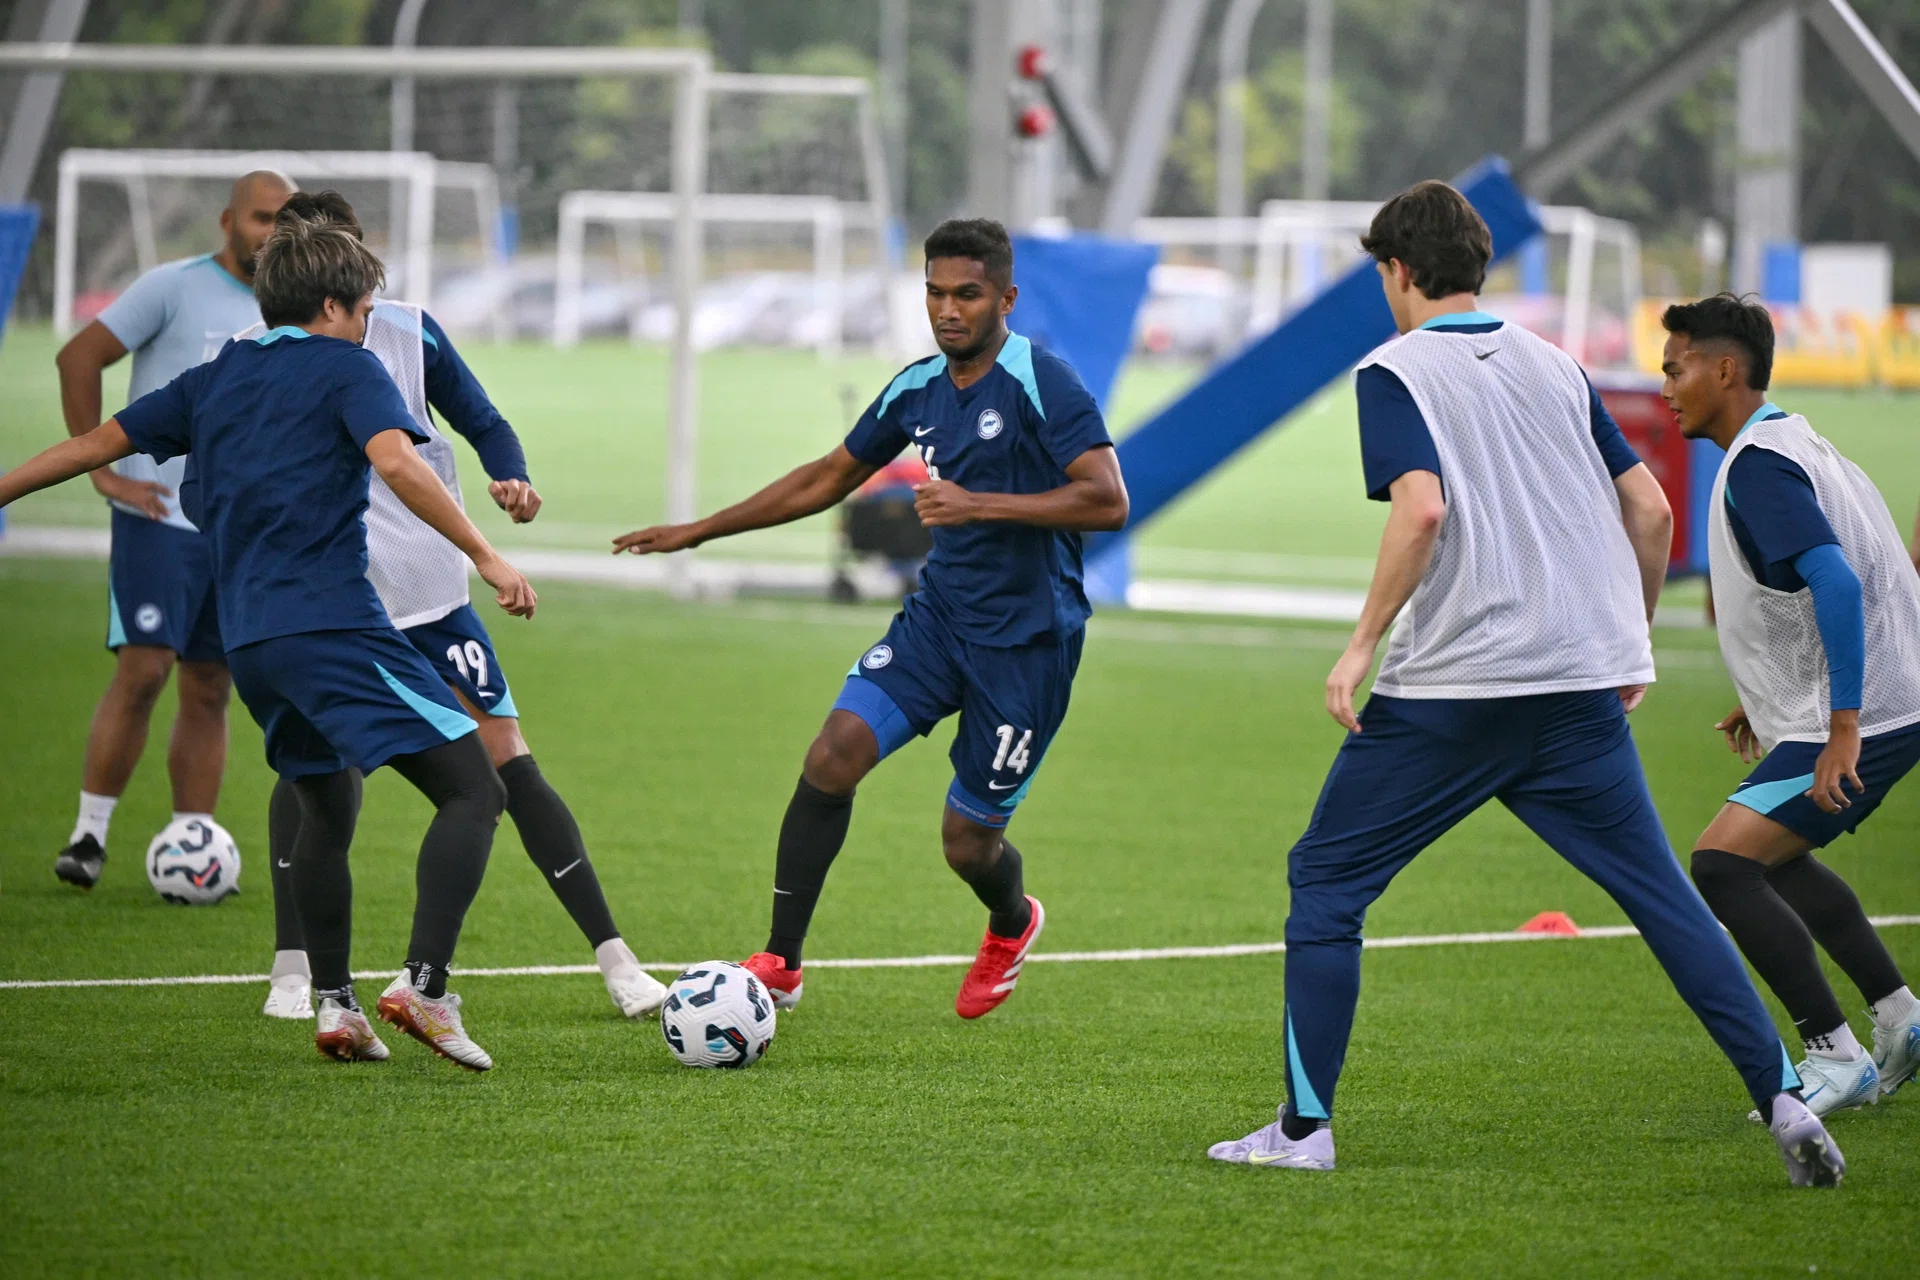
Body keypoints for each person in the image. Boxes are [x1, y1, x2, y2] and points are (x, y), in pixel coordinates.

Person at [1206, 182, 1843, 1187]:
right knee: (1665, 897)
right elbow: (1650, 511)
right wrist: (1624, 640)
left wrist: (1360, 643)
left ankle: (1302, 1129)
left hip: (1454, 691)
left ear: (1398, 272)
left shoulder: (1393, 368)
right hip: (1577, 689)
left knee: (1326, 881)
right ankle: (1785, 1096)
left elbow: (1420, 510)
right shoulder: (1557, 362)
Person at [0, 212, 538, 1071]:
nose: (371, 323)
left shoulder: (217, 376)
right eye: (365, 307)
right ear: (332, 305)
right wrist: (485, 554)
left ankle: (335, 1007)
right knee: (473, 791)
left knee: (326, 806)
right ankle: (426, 990)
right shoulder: (346, 367)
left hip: (250, 643)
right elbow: (400, 464)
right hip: (330, 623)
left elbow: (98, 444)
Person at [614, 218, 1127, 1020]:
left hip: (1027, 646)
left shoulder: (1043, 383)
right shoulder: (916, 387)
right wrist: (698, 530)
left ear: (1006, 298)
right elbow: (828, 476)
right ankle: (781, 962)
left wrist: (976, 504)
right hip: (939, 622)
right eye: (934, 292)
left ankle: (1012, 920)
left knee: (967, 844)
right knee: (832, 755)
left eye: (968, 294)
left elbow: (1108, 499)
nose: (948, 309)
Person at [250, 191, 665, 1024]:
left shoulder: (410, 331)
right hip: (341, 609)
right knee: (318, 779)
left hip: (435, 599)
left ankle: (617, 961)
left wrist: (510, 473)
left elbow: (482, 420)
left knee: (508, 762)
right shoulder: (255, 356)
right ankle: (294, 969)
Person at [1662, 294, 1920, 1118]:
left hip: (1863, 716)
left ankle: (1832, 1056)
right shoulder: (1795, 441)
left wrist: (1841, 727)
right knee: (1779, 856)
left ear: (1725, 369)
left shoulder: (1760, 466)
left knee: (1723, 863)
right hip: (1881, 700)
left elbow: (1838, 580)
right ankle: (1901, 1018)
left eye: (1676, 367)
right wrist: (1763, 693)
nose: (1665, 386)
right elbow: (1819, 584)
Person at [50, 170, 293, 890]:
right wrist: (103, 470)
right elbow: (78, 356)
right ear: (227, 220)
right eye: (260, 217)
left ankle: (195, 846)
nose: (272, 231)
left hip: (239, 531)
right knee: (146, 668)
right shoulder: (173, 286)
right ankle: (89, 837)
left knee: (211, 683)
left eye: (285, 219)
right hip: (159, 518)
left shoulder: (300, 304)